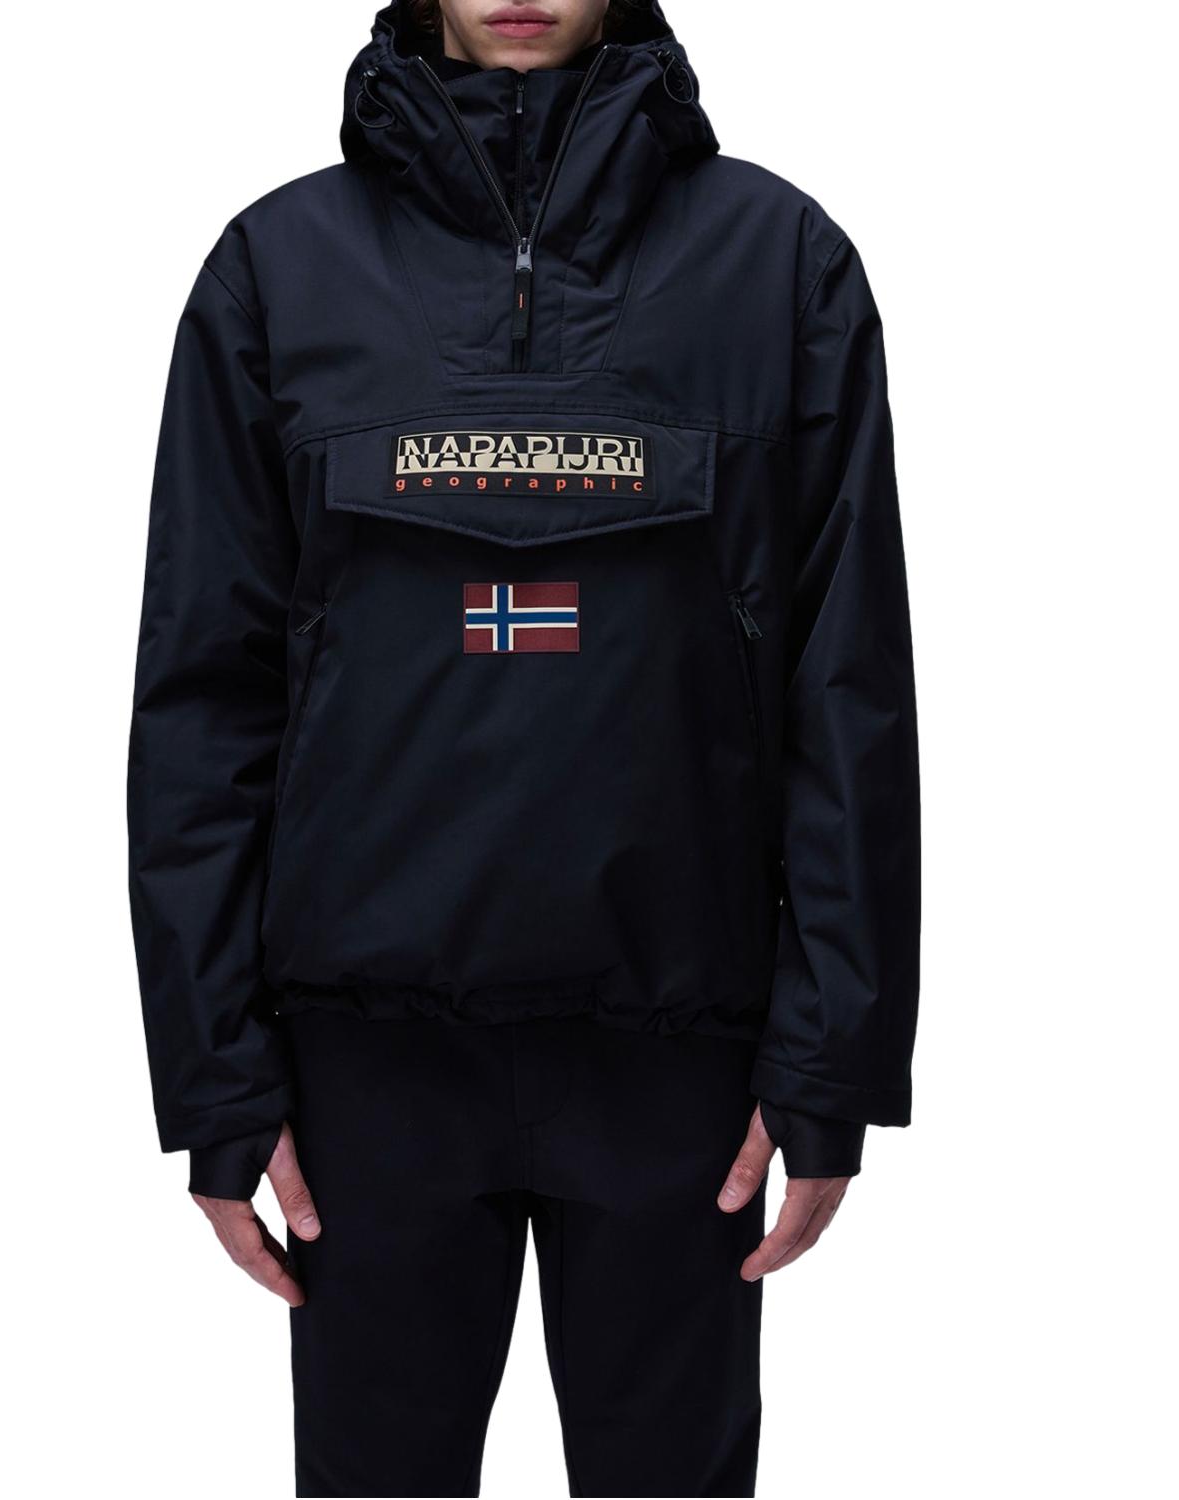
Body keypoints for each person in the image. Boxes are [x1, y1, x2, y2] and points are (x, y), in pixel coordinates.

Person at [127, 1, 920, 1493]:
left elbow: (850, 687)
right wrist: (217, 1082)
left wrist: (833, 1062)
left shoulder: (780, 264)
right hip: (361, 1076)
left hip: (685, 1064)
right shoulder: (277, 270)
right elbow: (202, 702)